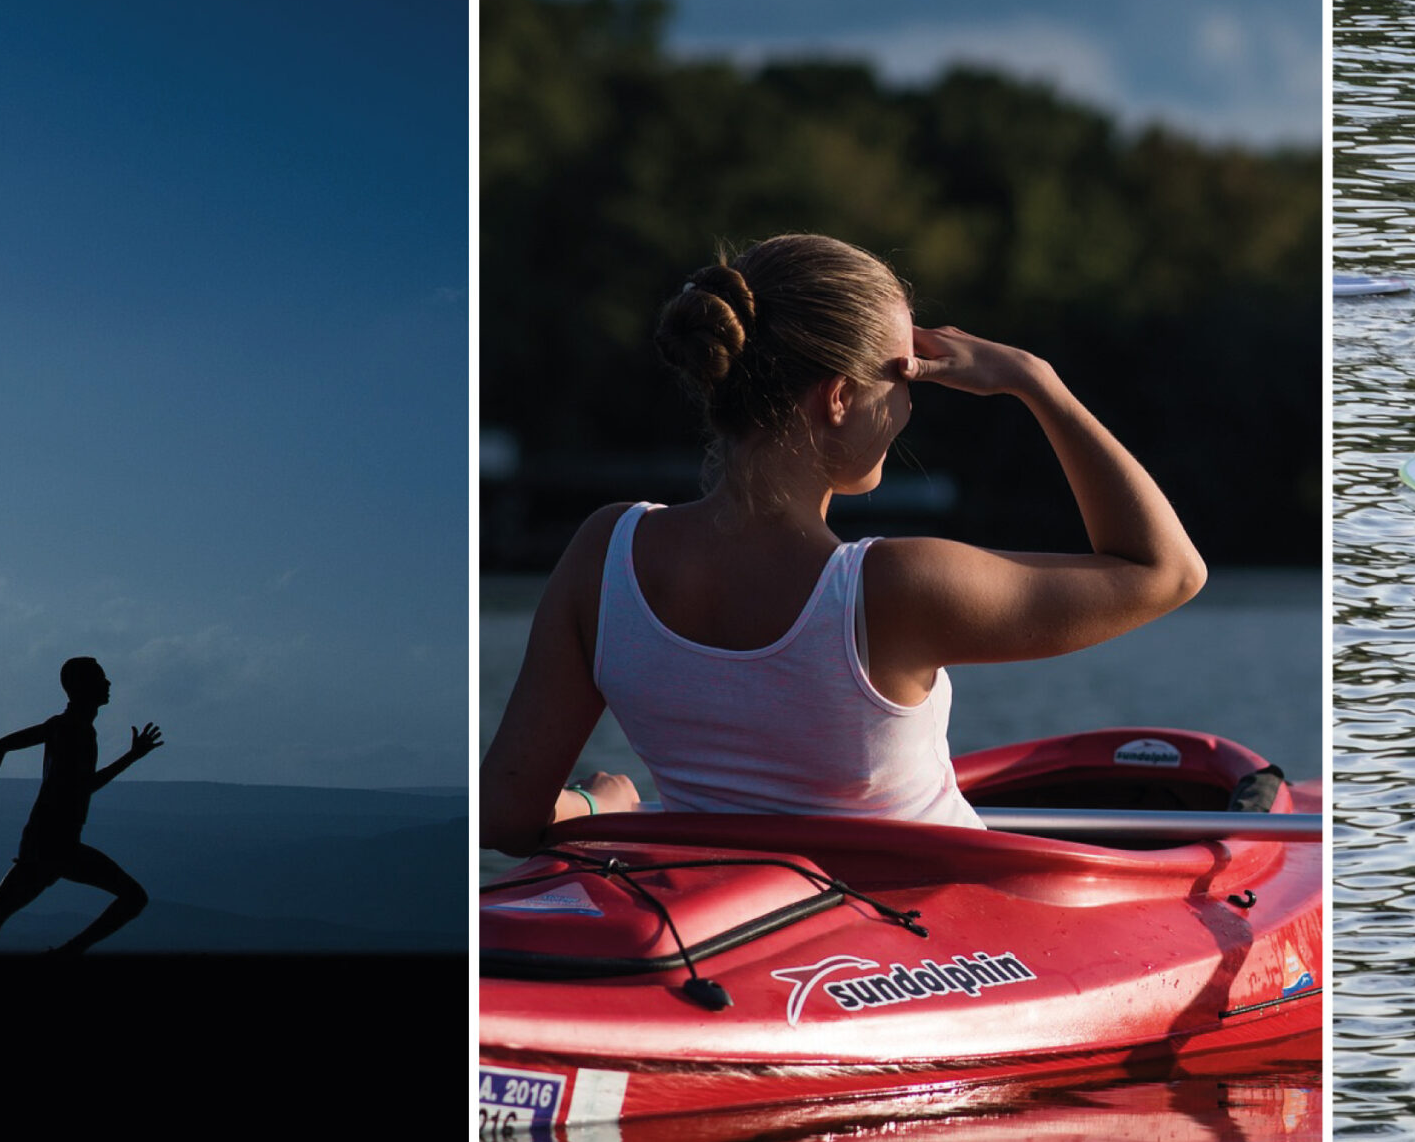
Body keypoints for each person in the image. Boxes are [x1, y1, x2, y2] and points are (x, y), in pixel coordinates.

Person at [477, 233, 1206, 855]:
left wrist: (604, 809)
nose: (913, 402)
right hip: (930, 947)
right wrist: (1037, 383)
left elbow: (507, 817)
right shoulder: (896, 586)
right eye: (905, 374)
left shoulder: (604, 551)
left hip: (737, 936)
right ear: (836, 397)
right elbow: (1167, 570)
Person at [0, 656, 162, 954]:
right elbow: (84, 787)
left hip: (44, 842)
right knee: (134, 897)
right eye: (101, 678)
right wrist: (131, 757)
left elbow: (1, 745)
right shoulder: (77, 731)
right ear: (83, 687)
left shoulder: (61, 725)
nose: (108, 683)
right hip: (56, 845)